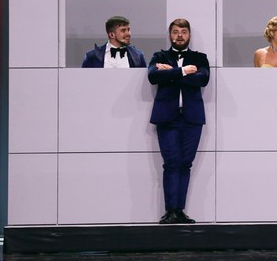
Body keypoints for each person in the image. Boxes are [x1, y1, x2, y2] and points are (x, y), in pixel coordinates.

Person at [148, 18, 210, 224]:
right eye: (175, 31)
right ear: (170, 35)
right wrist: (184, 71)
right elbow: (154, 77)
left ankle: (180, 210)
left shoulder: (200, 57)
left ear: (189, 35)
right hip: (167, 118)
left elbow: (202, 79)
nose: (179, 35)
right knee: (171, 164)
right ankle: (170, 211)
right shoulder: (159, 56)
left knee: (185, 164)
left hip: (192, 118)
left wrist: (171, 74)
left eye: (183, 31)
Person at [81, 16, 147, 68]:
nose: (128, 34)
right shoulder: (92, 56)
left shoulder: (138, 56)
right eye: (123, 30)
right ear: (111, 35)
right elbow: (83, 79)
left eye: (128, 30)